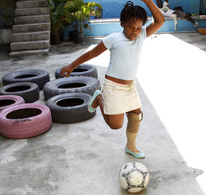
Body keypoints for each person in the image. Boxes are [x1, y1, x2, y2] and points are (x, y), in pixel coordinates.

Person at [60, 0, 165, 159]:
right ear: (122, 23)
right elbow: (92, 53)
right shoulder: (113, 38)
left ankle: (131, 146)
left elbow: (160, 21)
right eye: (131, 27)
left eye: (138, 28)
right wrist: (72, 65)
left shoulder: (141, 35)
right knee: (115, 125)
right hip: (113, 87)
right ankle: (99, 97)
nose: (135, 32)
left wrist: (148, 1)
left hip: (130, 86)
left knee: (136, 116)